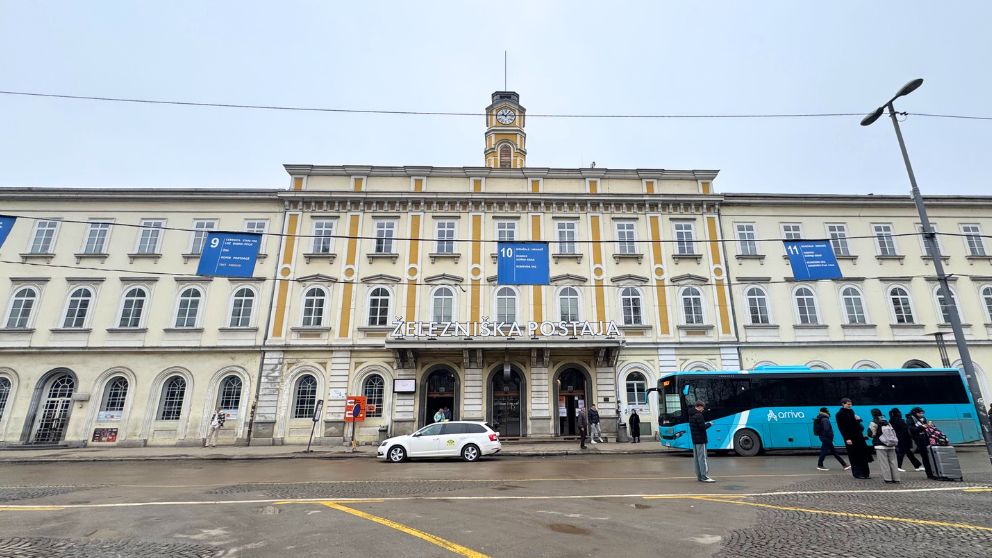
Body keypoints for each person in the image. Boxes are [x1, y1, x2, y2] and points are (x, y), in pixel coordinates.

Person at [835, 398, 871, 479]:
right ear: (843, 404)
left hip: (858, 436)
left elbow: (855, 424)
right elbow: (842, 428)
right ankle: (857, 473)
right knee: (854, 455)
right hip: (850, 437)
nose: (850, 405)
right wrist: (847, 438)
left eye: (851, 404)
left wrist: (858, 420)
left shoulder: (851, 412)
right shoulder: (839, 414)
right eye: (848, 404)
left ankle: (865, 473)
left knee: (862, 454)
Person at [867, 408, 901, 483]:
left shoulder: (874, 422)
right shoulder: (887, 422)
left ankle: (888, 479)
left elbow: (871, 434)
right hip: (891, 444)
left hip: (880, 445)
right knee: (893, 462)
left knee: (884, 463)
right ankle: (896, 478)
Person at [888, 408, 923, 472]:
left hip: (899, 438)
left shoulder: (891, 420)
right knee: (901, 452)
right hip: (903, 438)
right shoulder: (899, 420)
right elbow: (905, 428)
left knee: (908, 453)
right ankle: (898, 466)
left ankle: (917, 465)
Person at [688, 401, 715, 482]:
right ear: (699, 407)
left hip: (695, 440)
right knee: (703, 458)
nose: (703, 409)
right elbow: (702, 427)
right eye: (703, 407)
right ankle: (705, 476)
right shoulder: (699, 415)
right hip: (701, 439)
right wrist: (710, 424)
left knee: (696, 459)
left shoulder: (691, 415)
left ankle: (699, 476)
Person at [907, 407, 937, 480]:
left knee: (930, 456)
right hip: (919, 439)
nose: (922, 414)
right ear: (915, 413)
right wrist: (922, 427)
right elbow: (912, 429)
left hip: (926, 439)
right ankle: (929, 474)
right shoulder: (910, 419)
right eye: (920, 413)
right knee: (925, 457)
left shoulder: (923, 419)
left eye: (922, 413)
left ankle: (934, 472)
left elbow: (926, 427)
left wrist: (929, 425)